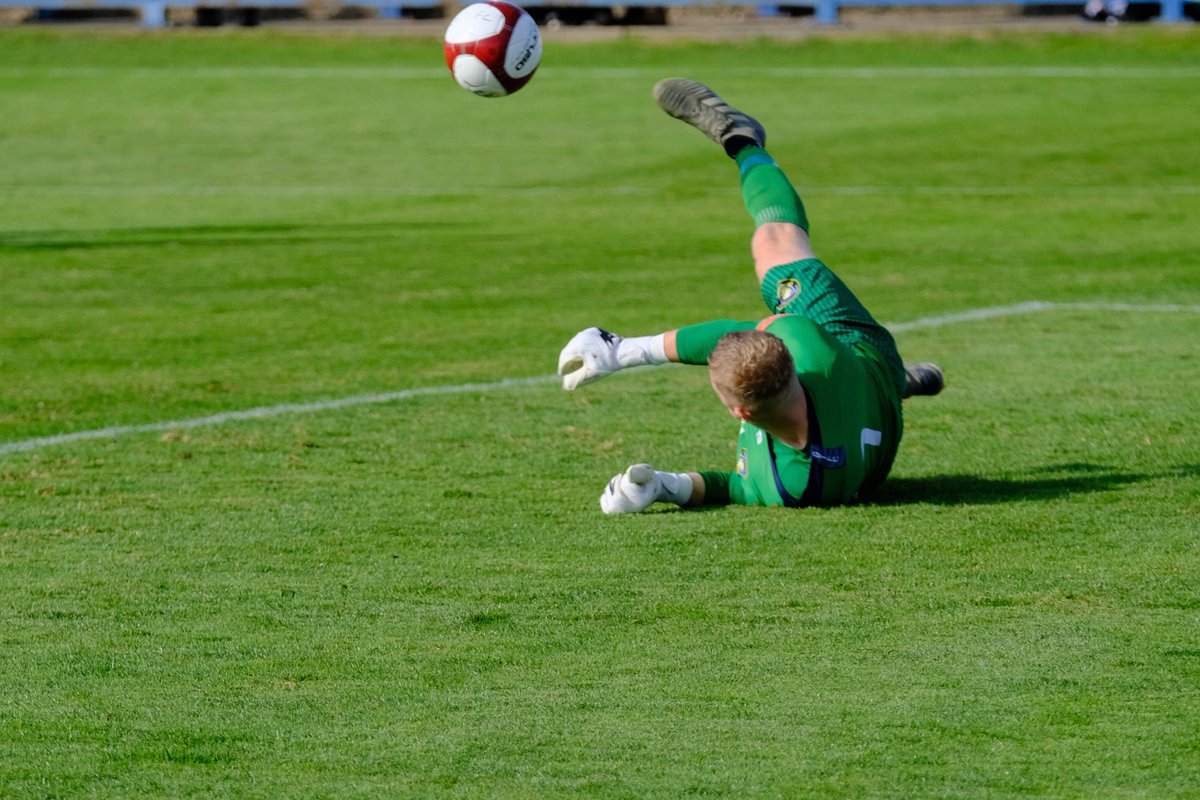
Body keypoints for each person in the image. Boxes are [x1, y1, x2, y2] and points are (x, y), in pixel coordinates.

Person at [557, 78, 943, 514]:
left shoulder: (795, 488)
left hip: (872, 422)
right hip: (860, 354)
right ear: (791, 362)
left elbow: (737, 488)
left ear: (740, 412)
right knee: (776, 244)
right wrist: (624, 351)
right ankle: (742, 141)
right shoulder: (816, 352)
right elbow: (740, 335)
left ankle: (902, 384)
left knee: (858, 392)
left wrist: (664, 486)